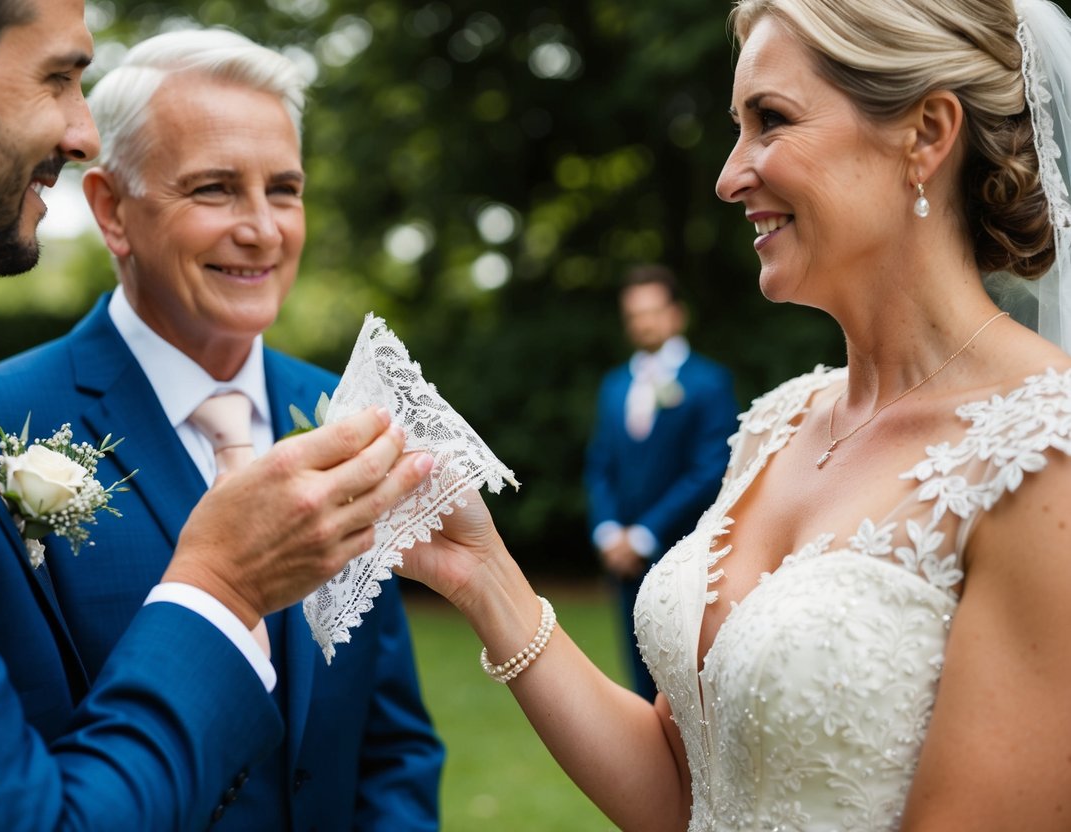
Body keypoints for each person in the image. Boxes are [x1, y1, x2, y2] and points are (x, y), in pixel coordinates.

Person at [397, 0, 1071, 829]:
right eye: (736, 125)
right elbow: (686, 791)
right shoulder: (777, 424)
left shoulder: (1044, 454)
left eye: (770, 121)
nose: (727, 175)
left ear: (925, 133)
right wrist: (482, 575)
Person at [0, 2, 431, 828]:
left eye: (286, 191)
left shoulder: (343, 417)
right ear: (112, 212)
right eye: (213, 189)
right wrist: (221, 584)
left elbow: (393, 743)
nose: (261, 228)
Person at [585, 264, 738, 701]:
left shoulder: (708, 383)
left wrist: (646, 533)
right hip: (623, 562)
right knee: (639, 682)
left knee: (690, 684)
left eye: (653, 311)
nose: (644, 322)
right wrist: (609, 531)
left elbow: (709, 470)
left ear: (676, 315)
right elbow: (600, 464)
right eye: (634, 315)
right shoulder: (614, 386)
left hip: (683, 554)